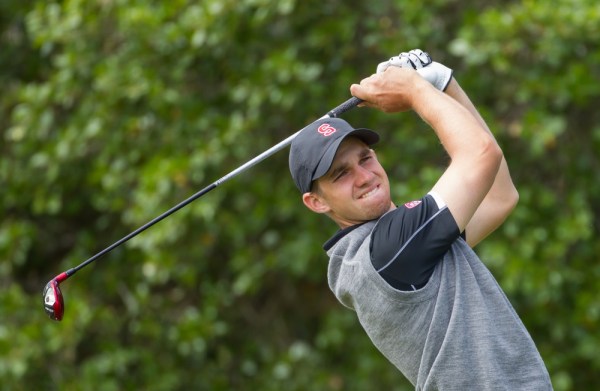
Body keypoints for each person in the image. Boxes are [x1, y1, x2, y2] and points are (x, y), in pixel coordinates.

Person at [288, 50, 553, 390]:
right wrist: (415, 90)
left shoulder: (403, 246)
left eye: (365, 158)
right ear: (316, 202)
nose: (365, 176)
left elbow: (499, 197)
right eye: (340, 174)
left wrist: (443, 85)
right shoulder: (388, 250)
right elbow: (481, 154)